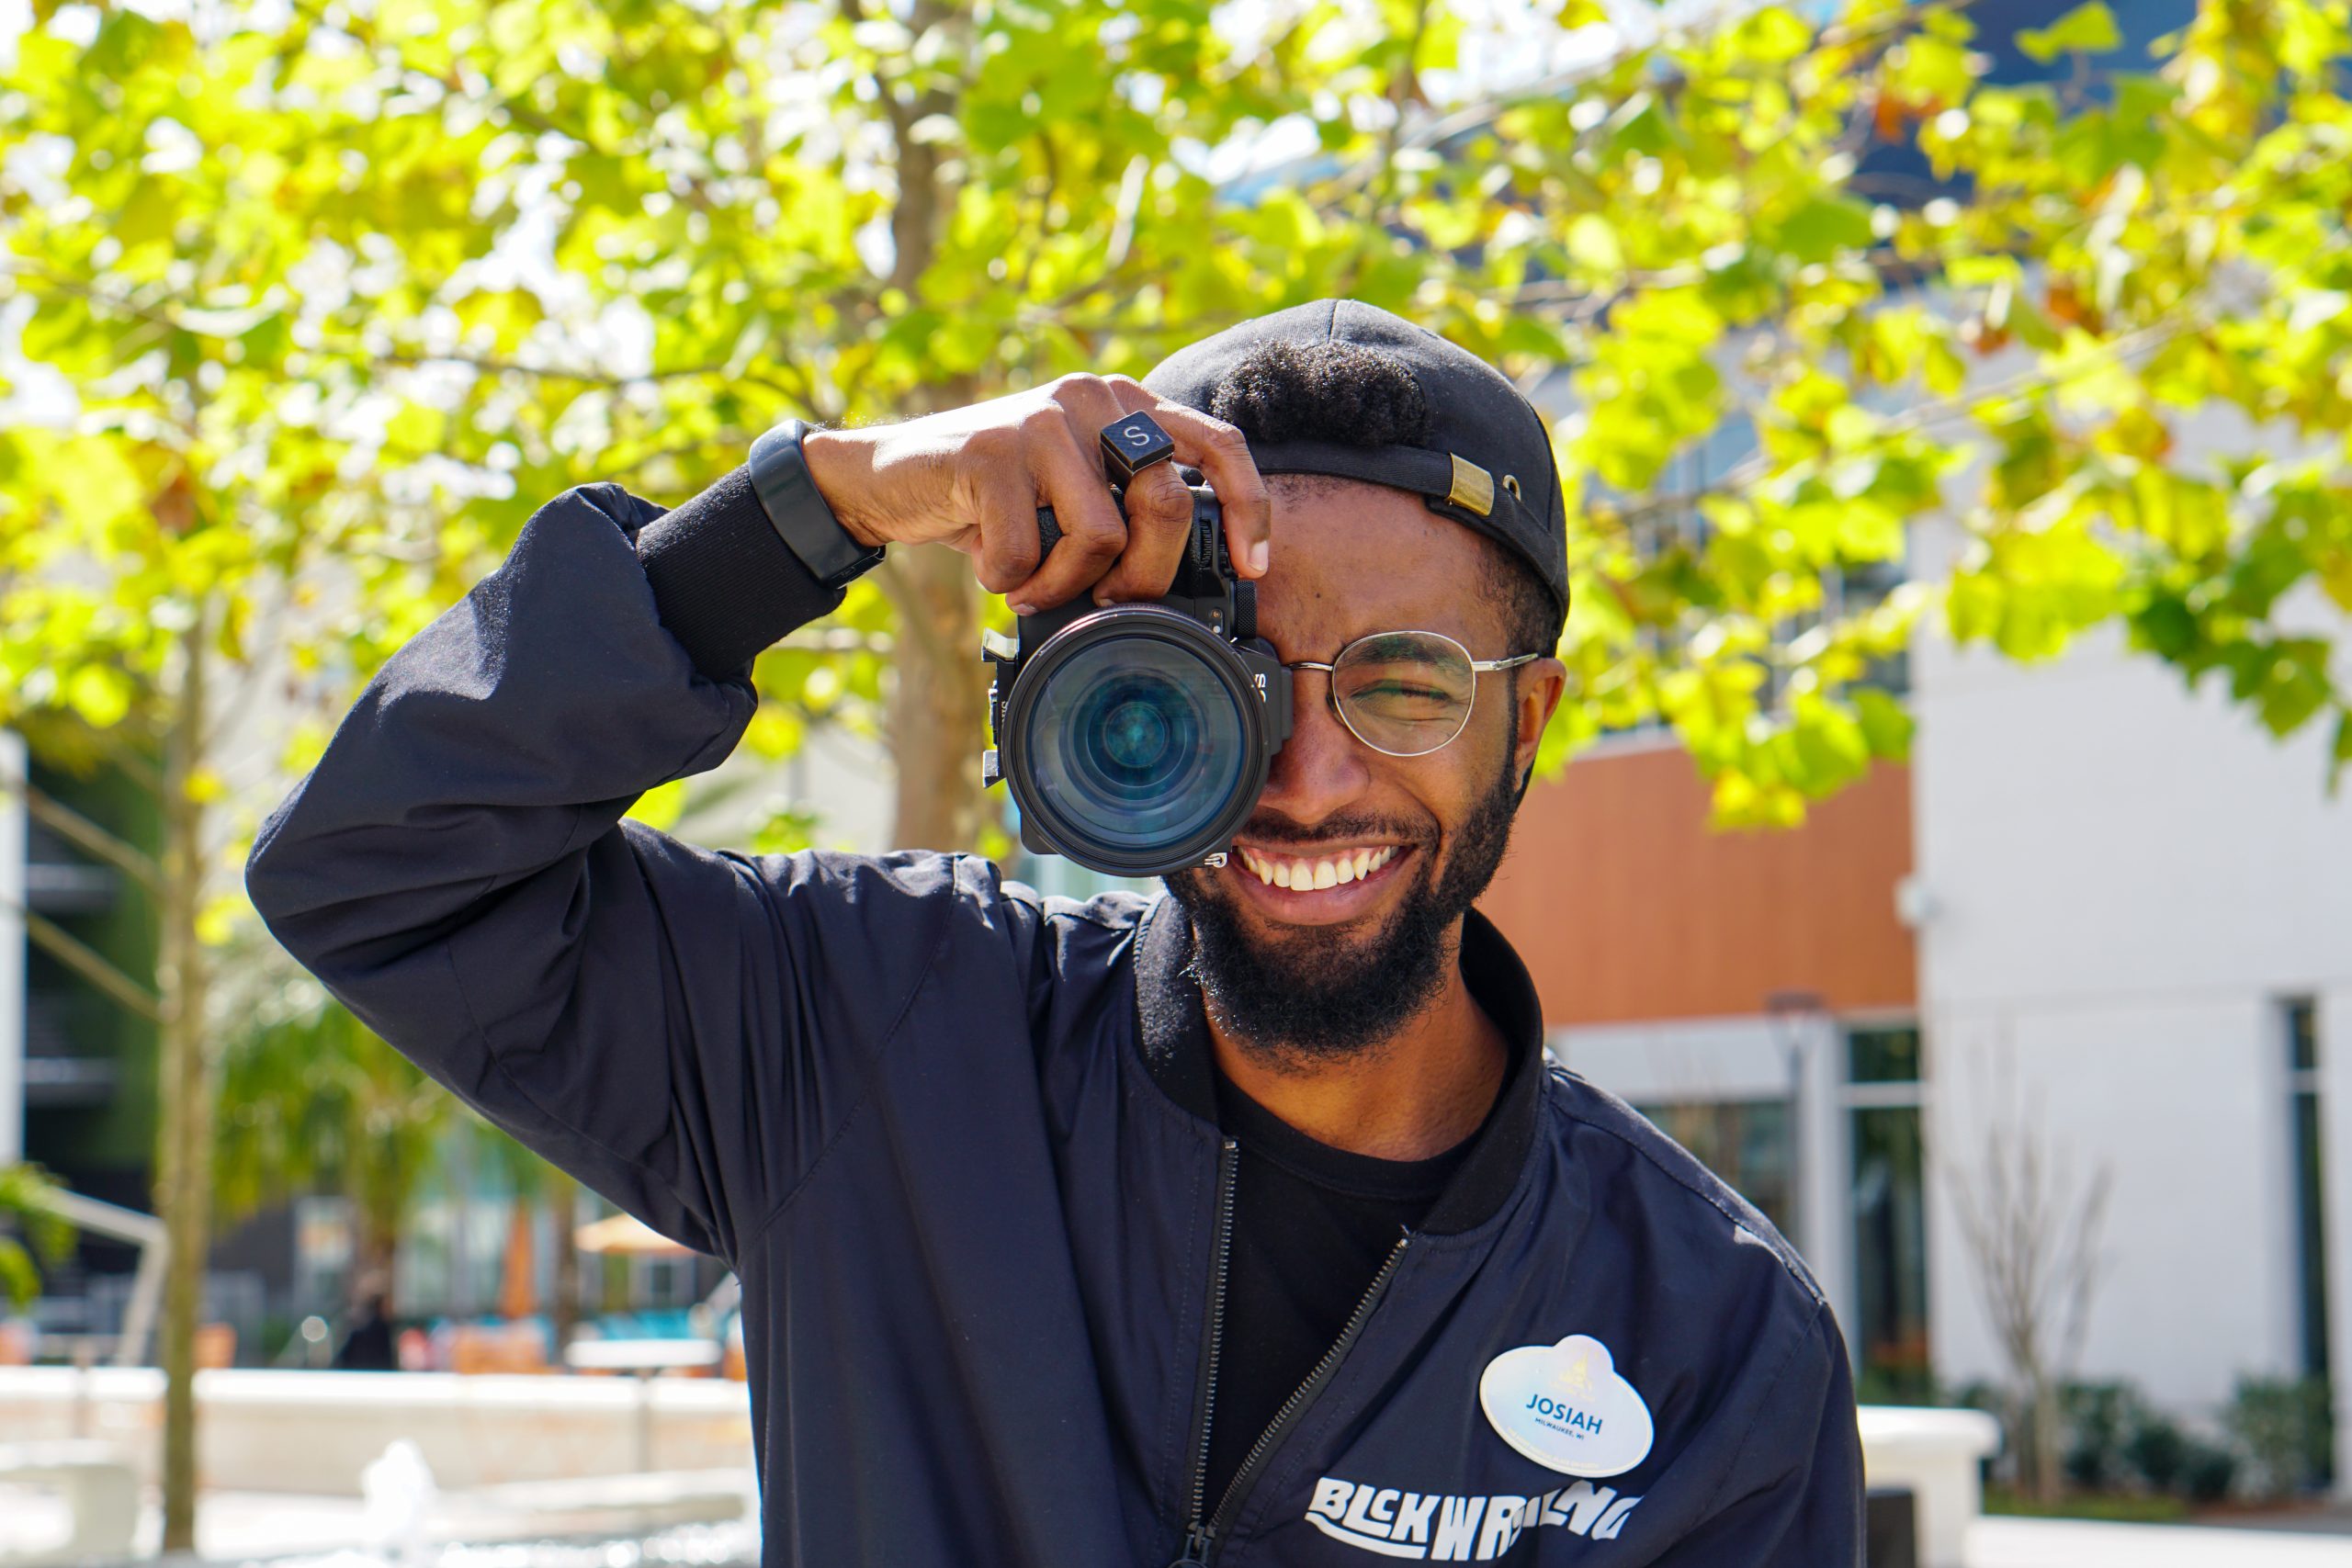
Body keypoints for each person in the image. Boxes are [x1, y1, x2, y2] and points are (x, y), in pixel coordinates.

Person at [248, 299, 1860, 1564]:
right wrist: (827, 500)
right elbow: (379, 868)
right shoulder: (874, 1033)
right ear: (1112, 690)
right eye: (1233, 685)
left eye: (1407, 682)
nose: (1307, 781)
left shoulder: (1709, 1340)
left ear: (1527, 726)